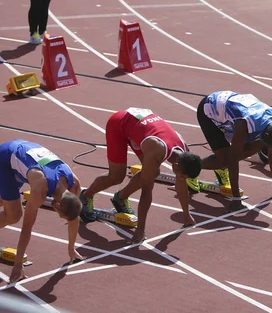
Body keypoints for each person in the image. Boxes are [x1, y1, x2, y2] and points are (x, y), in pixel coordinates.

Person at [79, 108, 202, 244]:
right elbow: (146, 191)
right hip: (119, 124)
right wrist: (140, 229)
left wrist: (186, 214)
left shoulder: (184, 152)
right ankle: (86, 196)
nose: (182, 180)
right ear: (177, 166)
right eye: (183, 176)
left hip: (140, 127)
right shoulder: (157, 150)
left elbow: (181, 184)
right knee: (117, 176)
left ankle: (120, 198)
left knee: (154, 172)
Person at [0, 139, 83, 283]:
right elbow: (27, 229)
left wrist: (71, 248)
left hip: (24, 155)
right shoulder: (40, 189)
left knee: (5, 201)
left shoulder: (74, 186)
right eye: (61, 216)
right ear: (57, 205)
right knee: (14, 215)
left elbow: (73, 217)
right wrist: (18, 264)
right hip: (5, 159)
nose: (62, 218)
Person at [196, 91, 272, 212]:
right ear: (266, 134)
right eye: (269, 145)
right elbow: (232, 160)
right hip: (209, 109)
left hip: (232, 109)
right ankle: (189, 167)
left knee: (254, 147)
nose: (268, 149)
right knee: (224, 160)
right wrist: (236, 199)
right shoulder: (244, 124)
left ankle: (219, 169)